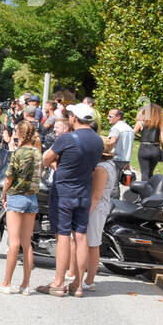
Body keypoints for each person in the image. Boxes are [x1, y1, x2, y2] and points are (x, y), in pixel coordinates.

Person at [38, 104, 104, 297]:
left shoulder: (67, 138)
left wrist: (56, 164)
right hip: (84, 191)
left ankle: (58, 283)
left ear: (75, 118)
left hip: (64, 192)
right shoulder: (98, 141)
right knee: (81, 236)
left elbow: (46, 158)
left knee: (64, 236)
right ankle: (78, 284)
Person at [0, 120, 42, 295]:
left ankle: (6, 283)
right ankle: (25, 285)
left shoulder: (18, 153)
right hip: (32, 198)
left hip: (17, 197)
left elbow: (9, 178)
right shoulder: (37, 153)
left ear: (20, 134)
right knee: (27, 243)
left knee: (13, 243)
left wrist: (4, 193)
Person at [82, 137, 120, 292]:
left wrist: (86, 213)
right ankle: (87, 278)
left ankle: (89, 280)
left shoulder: (101, 168)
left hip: (96, 208)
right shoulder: (109, 164)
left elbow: (96, 195)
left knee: (92, 244)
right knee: (92, 243)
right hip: (101, 206)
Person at [134, 103, 163, 182]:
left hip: (144, 149)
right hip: (155, 149)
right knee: (150, 173)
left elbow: (132, 134)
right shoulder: (160, 124)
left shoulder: (140, 122)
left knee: (145, 173)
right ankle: (150, 191)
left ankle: (144, 193)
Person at [106, 108, 134, 196]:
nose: (107, 118)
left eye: (110, 116)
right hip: (125, 159)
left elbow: (112, 142)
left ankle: (114, 202)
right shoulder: (129, 128)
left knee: (113, 183)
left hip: (115, 158)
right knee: (116, 181)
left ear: (118, 117)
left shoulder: (116, 128)